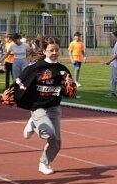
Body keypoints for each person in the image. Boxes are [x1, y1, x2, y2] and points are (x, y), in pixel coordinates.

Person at [19, 37, 78, 174]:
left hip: (55, 108)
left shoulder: (62, 69)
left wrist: (70, 85)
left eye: (57, 50)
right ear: (44, 51)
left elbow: (70, 92)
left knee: (56, 141)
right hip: (38, 106)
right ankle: (34, 122)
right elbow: (21, 83)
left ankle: (44, 163)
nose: (54, 53)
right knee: (48, 132)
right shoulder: (36, 68)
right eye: (51, 50)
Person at [105, 31, 117, 97]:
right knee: (112, 79)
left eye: (113, 36)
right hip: (115, 64)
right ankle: (113, 92)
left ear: (116, 37)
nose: (112, 37)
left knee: (115, 79)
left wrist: (109, 61)